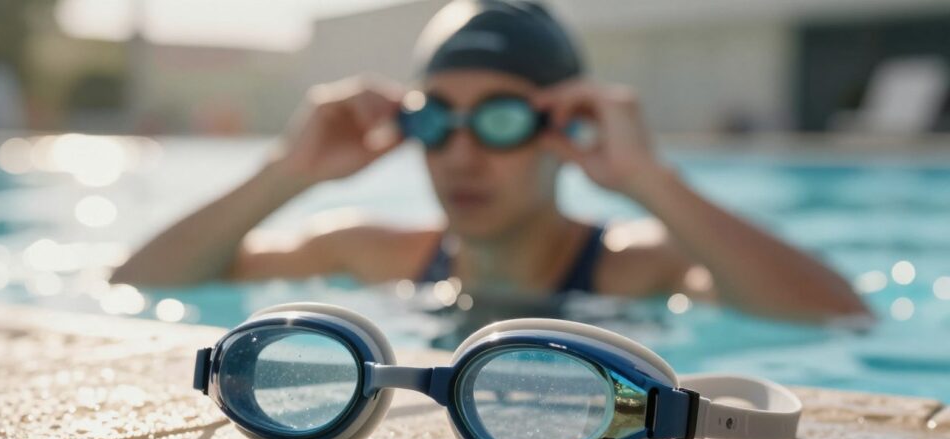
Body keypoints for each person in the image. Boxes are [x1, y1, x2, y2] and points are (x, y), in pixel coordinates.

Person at [112, 0, 869, 322]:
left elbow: (836, 316)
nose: (461, 153)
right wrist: (289, 170)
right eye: (435, 117)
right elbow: (145, 282)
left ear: (559, 127)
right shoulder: (376, 252)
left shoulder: (637, 269)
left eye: (500, 120)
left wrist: (649, 180)